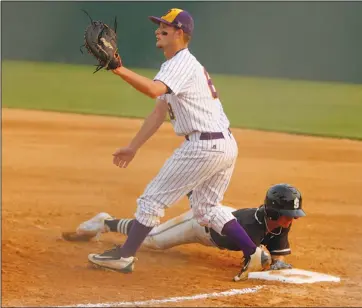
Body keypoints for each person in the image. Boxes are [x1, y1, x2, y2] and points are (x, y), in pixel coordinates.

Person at [86, 8, 268, 281]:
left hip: (203, 146)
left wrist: (118, 68)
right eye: (158, 27)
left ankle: (124, 256)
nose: (157, 31)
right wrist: (133, 147)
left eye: (165, 28)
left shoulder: (180, 63)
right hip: (223, 144)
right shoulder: (176, 66)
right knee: (206, 209)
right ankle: (253, 253)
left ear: (180, 33)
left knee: (152, 200)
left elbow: (153, 90)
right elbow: (158, 112)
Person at [73, 184, 306, 272]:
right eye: (288, 215)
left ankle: (107, 222)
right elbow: (253, 259)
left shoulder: (279, 225)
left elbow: (277, 257)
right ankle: (105, 221)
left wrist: (276, 263)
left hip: (221, 221)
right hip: (200, 224)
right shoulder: (249, 224)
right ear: (274, 212)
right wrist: (260, 258)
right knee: (153, 240)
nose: (292, 220)